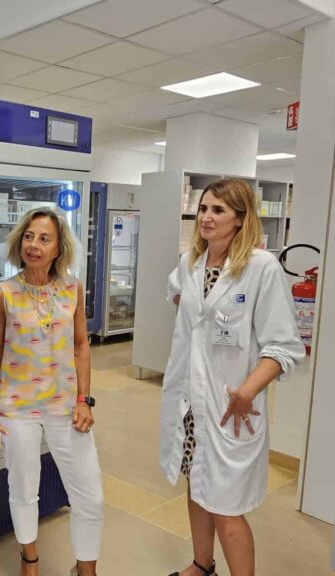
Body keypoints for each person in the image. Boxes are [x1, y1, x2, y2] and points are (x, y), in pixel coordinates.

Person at [162, 179, 305, 576]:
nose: (206, 217)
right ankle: (201, 564)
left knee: (226, 507)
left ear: (240, 219)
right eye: (203, 208)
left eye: (218, 210)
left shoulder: (261, 267)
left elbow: (283, 346)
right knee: (196, 484)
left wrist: (246, 392)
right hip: (191, 402)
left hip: (230, 406)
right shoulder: (190, 262)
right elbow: (179, 296)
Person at [0, 207, 103, 576]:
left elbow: (81, 345)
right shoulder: (3, 294)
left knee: (90, 494)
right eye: (29, 237)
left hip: (66, 405)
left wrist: (84, 399)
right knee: (23, 488)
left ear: (58, 249)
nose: (34, 245)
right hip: (16, 408)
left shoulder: (71, 288)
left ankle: (86, 569)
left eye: (44, 239)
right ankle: (30, 560)